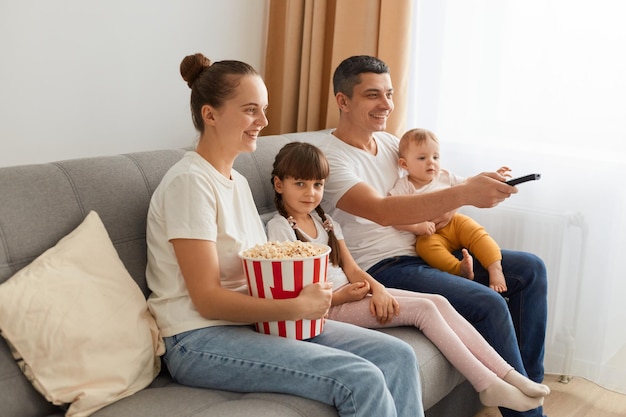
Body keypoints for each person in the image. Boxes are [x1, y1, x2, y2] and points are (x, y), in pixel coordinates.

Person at [145, 53, 423, 417]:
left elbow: (257, 269)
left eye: (263, 109)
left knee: (397, 354)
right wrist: (294, 306)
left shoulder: (237, 181)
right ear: (210, 115)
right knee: (359, 377)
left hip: (251, 323)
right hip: (197, 338)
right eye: (250, 110)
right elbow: (208, 300)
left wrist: (315, 293)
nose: (263, 121)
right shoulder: (189, 184)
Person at [316, 55, 549, 417]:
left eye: (389, 94)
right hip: (381, 268)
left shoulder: (392, 144)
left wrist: (475, 183)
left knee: (530, 269)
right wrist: (464, 194)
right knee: (488, 303)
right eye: (373, 95)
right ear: (343, 101)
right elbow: (382, 210)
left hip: (421, 252)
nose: (386, 105)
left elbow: (434, 184)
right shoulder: (330, 159)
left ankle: (530, 388)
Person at [266, 141, 549, 412]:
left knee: (438, 300)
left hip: (355, 291)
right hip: (330, 309)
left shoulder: (325, 221)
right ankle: (486, 383)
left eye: (317, 185)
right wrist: (341, 296)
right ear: (279, 185)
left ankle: (508, 374)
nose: (310, 193)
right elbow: (296, 294)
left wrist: (377, 289)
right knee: (424, 309)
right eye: (300, 184)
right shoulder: (280, 229)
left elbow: (352, 269)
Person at [389, 127, 511, 292]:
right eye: (422, 158)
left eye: (435, 157)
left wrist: (494, 177)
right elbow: (392, 215)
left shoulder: (445, 176)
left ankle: (495, 268)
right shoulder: (404, 186)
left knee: (478, 234)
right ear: (404, 164)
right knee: (425, 248)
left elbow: (471, 184)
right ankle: (459, 269)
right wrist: (417, 227)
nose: (431, 162)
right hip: (429, 234)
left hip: (455, 223)